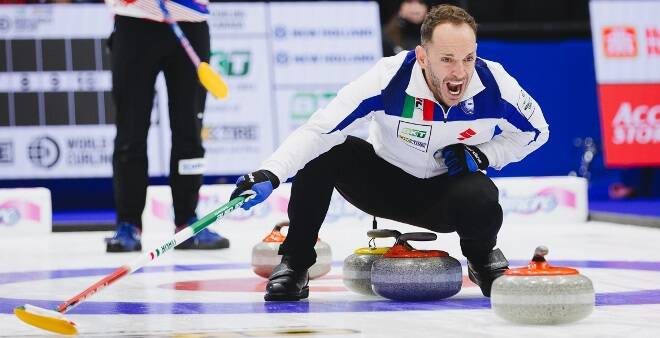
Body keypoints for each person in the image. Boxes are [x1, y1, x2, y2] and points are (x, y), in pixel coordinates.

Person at [231, 4, 549, 300]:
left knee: (481, 192)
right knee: (326, 150)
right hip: (383, 186)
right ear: (423, 57)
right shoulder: (388, 77)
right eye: (447, 59)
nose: (460, 73)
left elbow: (536, 132)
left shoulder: (495, 83)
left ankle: (481, 259)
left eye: (468, 58)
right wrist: (270, 173)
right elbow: (320, 129)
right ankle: (295, 263)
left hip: (446, 195)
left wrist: (484, 154)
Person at [104, 0, 229, 252]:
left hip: (190, 21)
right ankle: (128, 224)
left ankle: (188, 222)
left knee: (189, 131)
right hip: (135, 20)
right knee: (130, 132)